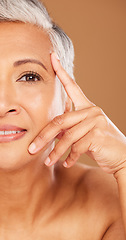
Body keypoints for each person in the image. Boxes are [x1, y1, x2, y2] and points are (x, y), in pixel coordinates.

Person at [0, 0, 125, 239]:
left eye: (28, 77)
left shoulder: (114, 201)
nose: (2, 105)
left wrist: (124, 164)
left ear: (66, 99)